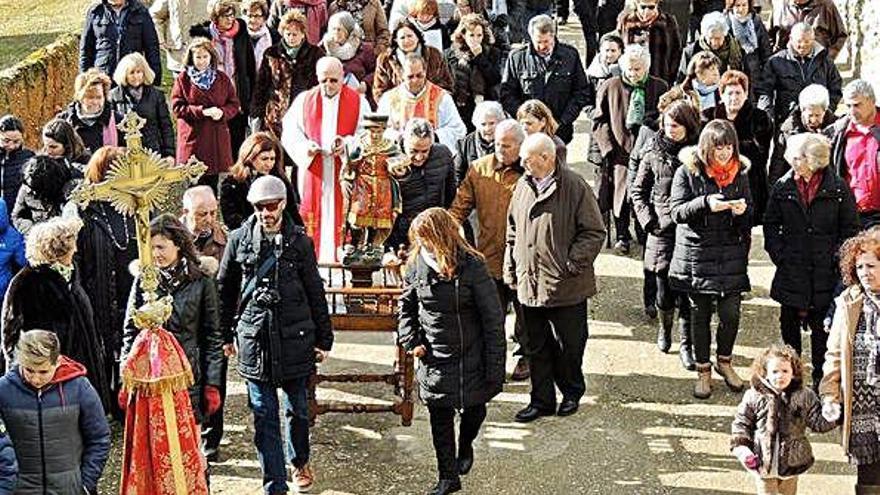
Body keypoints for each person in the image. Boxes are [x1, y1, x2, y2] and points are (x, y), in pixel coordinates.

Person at [217, 175, 334, 493]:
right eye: (259, 207)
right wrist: (225, 335)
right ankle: (274, 482)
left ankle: (299, 462)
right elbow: (224, 289)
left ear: (283, 204)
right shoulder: (239, 239)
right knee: (263, 413)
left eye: (271, 206)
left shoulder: (300, 242)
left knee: (297, 409)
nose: (266, 213)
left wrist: (325, 339)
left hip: (295, 336)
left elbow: (314, 290)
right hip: (256, 338)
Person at [398, 207, 505, 495]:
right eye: (420, 240)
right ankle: (448, 476)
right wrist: (411, 340)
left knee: (474, 409)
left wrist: (495, 366)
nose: (424, 246)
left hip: (472, 352)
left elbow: (493, 318)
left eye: (428, 239)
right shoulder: (416, 266)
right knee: (439, 418)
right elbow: (406, 308)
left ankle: (466, 443)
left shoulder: (472, 265)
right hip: (435, 355)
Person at [504, 133, 605, 423]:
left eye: (527, 159)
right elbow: (512, 231)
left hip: (566, 285)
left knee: (569, 345)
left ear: (546, 158)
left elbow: (594, 232)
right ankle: (541, 400)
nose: (522, 164)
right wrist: (511, 268)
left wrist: (572, 263)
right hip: (529, 283)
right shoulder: (522, 186)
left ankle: (572, 392)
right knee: (536, 347)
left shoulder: (574, 186)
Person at [764, 133, 859, 393]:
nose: (791, 163)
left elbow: (850, 231)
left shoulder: (838, 189)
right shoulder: (783, 187)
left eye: (796, 159)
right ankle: (792, 383)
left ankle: (821, 383)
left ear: (812, 161)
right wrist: (780, 255)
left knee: (823, 336)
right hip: (791, 271)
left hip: (824, 275)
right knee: (789, 332)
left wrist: (837, 261)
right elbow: (771, 224)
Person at [669, 119, 752, 399]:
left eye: (729, 147)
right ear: (707, 147)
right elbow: (676, 212)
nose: (725, 153)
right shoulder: (687, 172)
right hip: (698, 255)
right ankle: (703, 369)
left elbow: (751, 215)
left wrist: (742, 212)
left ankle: (724, 361)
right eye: (719, 148)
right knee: (699, 315)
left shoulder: (741, 174)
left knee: (731, 314)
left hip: (730, 255)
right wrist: (705, 203)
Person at [121, 214, 224, 429]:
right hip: (150, 376)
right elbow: (130, 331)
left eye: (161, 247)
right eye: (151, 247)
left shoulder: (201, 281)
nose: (155, 254)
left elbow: (212, 336)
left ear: (177, 245)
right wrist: (126, 375)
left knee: (188, 445)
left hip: (187, 376)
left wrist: (212, 384)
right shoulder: (143, 281)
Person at [2, 217, 111, 410]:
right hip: (47, 377)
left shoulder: (71, 275)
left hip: (81, 372)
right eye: (72, 244)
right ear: (58, 249)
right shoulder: (26, 282)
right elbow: (10, 334)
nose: (76, 250)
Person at [449, 119, 529, 381]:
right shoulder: (479, 169)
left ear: (521, 144)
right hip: (490, 257)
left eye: (507, 146)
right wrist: (446, 232)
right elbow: (460, 206)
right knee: (489, 316)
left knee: (525, 315)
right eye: (497, 145)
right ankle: (492, 364)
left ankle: (525, 357)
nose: (500, 150)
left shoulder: (531, 171)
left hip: (524, 259)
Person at [631, 100, 701, 369]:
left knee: (687, 293)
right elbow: (638, 191)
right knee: (663, 291)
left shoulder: (698, 152)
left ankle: (687, 344)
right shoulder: (652, 150)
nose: (670, 130)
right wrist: (649, 222)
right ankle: (664, 328)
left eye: (676, 125)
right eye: (667, 125)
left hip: (690, 230)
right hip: (661, 230)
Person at [0, 330, 110, 495]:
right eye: (29, 370)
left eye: (43, 372)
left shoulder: (79, 387)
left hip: (69, 488)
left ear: (57, 362)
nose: (36, 379)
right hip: (21, 489)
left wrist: (86, 483)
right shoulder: (3, 390)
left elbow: (99, 437)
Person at [281, 57, 369, 262]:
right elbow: (290, 132)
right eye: (324, 81)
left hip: (344, 172)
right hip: (314, 170)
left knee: (343, 219)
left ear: (342, 78)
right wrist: (306, 147)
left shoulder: (358, 101)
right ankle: (315, 267)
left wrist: (346, 145)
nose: (328, 85)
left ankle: (343, 272)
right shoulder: (304, 100)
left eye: (333, 80)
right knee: (315, 221)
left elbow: (366, 135)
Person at [74, 147, 139, 418]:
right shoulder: (86, 209)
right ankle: (104, 404)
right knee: (102, 350)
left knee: (130, 346)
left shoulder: (135, 204)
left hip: (130, 288)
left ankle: (129, 404)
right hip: (98, 288)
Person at [731, 344, 837, 494]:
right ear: (765, 373)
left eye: (785, 371)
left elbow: (817, 422)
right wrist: (742, 449)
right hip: (762, 461)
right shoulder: (754, 396)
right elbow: (742, 423)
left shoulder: (804, 396)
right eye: (774, 372)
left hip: (793, 461)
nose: (780, 376)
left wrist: (832, 414)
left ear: (794, 373)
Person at [592, 44, 668, 254]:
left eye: (639, 69)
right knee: (621, 195)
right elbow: (599, 121)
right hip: (620, 151)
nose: (634, 74)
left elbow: (666, 118)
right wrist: (607, 148)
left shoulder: (659, 87)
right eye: (631, 69)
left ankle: (644, 232)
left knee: (646, 193)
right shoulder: (610, 86)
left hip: (648, 152)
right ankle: (622, 235)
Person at [821, 227, 880, 493]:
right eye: (859, 266)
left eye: (872, 265)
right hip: (862, 405)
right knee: (868, 477)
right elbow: (833, 354)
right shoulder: (848, 302)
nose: (865, 272)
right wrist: (830, 396)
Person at [500, 14, 589, 144]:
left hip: (560, 131)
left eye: (546, 42)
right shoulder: (517, 58)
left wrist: (563, 121)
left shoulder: (570, 55)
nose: (542, 47)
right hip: (527, 132)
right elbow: (507, 94)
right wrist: (526, 119)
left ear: (553, 36)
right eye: (538, 42)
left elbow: (581, 92)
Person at [702, 70, 774, 224]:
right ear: (721, 95)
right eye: (729, 93)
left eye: (738, 93)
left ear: (746, 94)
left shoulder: (760, 118)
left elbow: (759, 156)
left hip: (749, 184)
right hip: (716, 183)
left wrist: (722, 149)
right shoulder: (708, 117)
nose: (734, 98)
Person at [171, 37, 241, 192]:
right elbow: (177, 107)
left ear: (211, 57)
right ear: (191, 57)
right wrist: (201, 111)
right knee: (194, 185)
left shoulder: (222, 79)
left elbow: (234, 104)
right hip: (194, 140)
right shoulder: (183, 80)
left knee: (212, 185)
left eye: (205, 57)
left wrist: (222, 112)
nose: (201, 61)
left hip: (215, 139)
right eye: (198, 57)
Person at [190, 0, 257, 159]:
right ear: (215, 18)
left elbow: (249, 64)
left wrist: (250, 92)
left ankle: (236, 173)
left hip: (236, 90)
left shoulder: (241, 33)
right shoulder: (205, 36)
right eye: (224, 16)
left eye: (232, 15)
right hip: (214, 93)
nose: (229, 19)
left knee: (237, 136)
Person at [251, 10, 323, 141]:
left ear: (303, 34)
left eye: (295, 34)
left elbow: (318, 86)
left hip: (303, 116)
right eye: (288, 34)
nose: (291, 38)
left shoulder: (315, 54)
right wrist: (256, 112)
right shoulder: (271, 53)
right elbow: (261, 85)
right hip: (275, 117)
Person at [385, 118, 456, 250]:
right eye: (413, 151)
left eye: (425, 151)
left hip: (436, 231)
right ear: (404, 142)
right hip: (402, 234)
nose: (419, 157)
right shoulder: (389, 160)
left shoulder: (443, 155)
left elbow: (451, 194)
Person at [377, 53, 467, 154]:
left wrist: (433, 136)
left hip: (433, 156)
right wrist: (399, 137)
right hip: (400, 156)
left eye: (419, 75)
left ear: (425, 72)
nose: (415, 80)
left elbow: (458, 129)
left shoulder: (442, 97)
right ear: (402, 74)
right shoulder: (389, 99)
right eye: (410, 77)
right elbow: (379, 130)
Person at [755, 22, 843, 124]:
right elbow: (764, 91)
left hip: (819, 121)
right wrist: (767, 115)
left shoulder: (824, 61)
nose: (803, 45)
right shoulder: (776, 61)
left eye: (807, 41)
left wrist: (826, 111)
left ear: (813, 39)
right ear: (791, 39)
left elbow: (835, 87)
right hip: (787, 120)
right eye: (799, 41)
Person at [221, 132, 302, 232]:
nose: (269, 164)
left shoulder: (280, 181)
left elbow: (292, 212)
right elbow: (231, 220)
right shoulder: (232, 183)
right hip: (245, 237)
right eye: (264, 159)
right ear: (250, 157)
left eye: (272, 159)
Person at [827, 80, 880, 229]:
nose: (852, 111)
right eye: (848, 105)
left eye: (857, 105)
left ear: (872, 101)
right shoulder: (837, 133)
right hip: (851, 215)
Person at [108, 53, 175, 158]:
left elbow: (166, 126)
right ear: (125, 74)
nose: (136, 76)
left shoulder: (156, 95)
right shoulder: (113, 96)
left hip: (152, 152)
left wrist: (169, 153)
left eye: (139, 72)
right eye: (132, 73)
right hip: (125, 155)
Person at [444, 14, 502, 133]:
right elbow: (448, 80)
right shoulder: (450, 54)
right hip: (460, 105)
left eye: (479, 35)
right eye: (471, 35)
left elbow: (495, 78)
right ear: (463, 35)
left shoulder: (492, 53)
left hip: (484, 104)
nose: (475, 39)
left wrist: (480, 58)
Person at [79, 0, 161, 84]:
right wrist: (84, 79)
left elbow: (152, 48)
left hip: (131, 77)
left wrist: (154, 81)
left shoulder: (140, 11)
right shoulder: (95, 11)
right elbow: (86, 49)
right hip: (103, 78)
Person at [769, 83, 837, 185]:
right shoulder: (788, 131)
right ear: (802, 110)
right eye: (810, 115)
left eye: (818, 115)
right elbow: (778, 166)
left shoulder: (836, 130)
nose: (813, 120)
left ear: (825, 111)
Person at [373, 19, 454, 102]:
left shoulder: (434, 54)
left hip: (431, 104)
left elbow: (446, 83)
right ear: (396, 40)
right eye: (402, 38)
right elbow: (380, 91)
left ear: (417, 37)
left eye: (410, 36)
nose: (407, 41)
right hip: (399, 107)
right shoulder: (385, 60)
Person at [616, 0, 683, 86]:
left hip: (660, 77)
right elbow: (618, 47)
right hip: (632, 77)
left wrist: (671, 75)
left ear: (657, 5)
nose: (647, 11)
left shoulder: (668, 22)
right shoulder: (626, 21)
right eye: (643, 7)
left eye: (651, 7)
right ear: (637, 5)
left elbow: (676, 51)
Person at [11, 155, 80, 236]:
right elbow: (17, 217)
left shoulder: (67, 191)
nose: (33, 192)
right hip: (37, 237)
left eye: (36, 189)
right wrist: (35, 232)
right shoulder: (26, 188)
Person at [57, 69, 118, 155]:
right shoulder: (63, 121)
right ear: (80, 97)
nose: (95, 102)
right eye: (90, 97)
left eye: (99, 97)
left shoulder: (117, 121)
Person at [677, 11, 745, 83]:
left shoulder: (737, 49)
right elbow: (681, 81)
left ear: (724, 35)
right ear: (704, 35)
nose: (714, 42)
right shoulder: (691, 51)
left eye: (718, 38)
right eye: (710, 38)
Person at [149, 0, 211, 77]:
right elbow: (154, 15)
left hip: (204, 54)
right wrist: (160, 39)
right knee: (180, 86)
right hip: (178, 56)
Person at [769, 0, 847, 60]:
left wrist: (828, 58)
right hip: (786, 68)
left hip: (817, 66)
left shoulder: (826, 5)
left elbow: (841, 35)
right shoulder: (779, 6)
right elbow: (768, 37)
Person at [320, 12, 377, 94]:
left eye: (339, 29)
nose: (336, 32)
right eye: (333, 29)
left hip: (358, 94)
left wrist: (366, 83)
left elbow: (376, 71)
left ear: (348, 31)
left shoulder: (364, 49)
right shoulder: (322, 48)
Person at [454, 101, 504, 185]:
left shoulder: (507, 139)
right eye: (483, 124)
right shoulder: (464, 144)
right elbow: (457, 174)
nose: (488, 129)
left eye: (492, 123)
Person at [724, 0, 772, 88]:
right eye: (737, 6)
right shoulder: (726, 23)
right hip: (734, 71)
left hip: (754, 70)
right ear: (731, 6)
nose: (741, 9)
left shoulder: (756, 21)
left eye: (744, 5)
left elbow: (765, 48)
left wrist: (766, 71)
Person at [182, 185, 227, 263]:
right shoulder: (171, 238)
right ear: (186, 212)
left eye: (213, 213)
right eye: (202, 214)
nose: (209, 220)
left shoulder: (225, 238)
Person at [517, 99, 568, 167]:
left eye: (529, 123)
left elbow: (560, 175)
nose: (524, 128)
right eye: (522, 124)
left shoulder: (556, 147)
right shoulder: (518, 143)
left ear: (543, 122)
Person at [0, 115, 33, 219]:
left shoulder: (29, 157)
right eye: (6, 141)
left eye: (16, 141)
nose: (11, 146)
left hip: (19, 216)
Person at [242, 0, 279, 73]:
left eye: (257, 16)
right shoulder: (239, 35)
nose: (253, 20)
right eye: (249, 16)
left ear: (264, 17)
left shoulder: (274, 36)